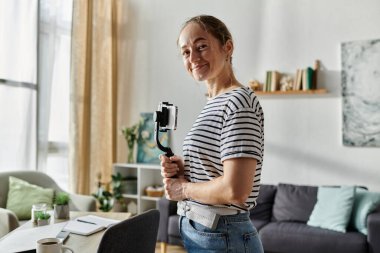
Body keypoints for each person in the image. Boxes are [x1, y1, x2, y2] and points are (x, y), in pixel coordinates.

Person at [160, 15, 264, 253]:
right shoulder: (215, 102)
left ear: (228, 47)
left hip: (224, 236)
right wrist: (184, 166)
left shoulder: (238, 101)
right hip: (206, 233)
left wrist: (183, 189)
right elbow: (218, 167)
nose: (193, 58)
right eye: (186, 52)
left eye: (201, 46)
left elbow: (235, 191)